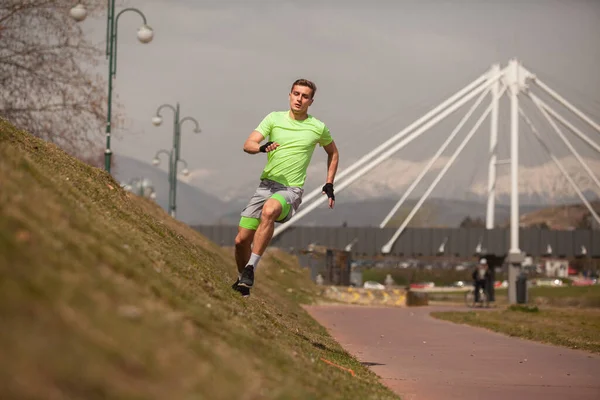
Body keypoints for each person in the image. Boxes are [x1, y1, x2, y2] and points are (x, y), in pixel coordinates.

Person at [231, 78, 340, 297]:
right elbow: (248, 144)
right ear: (289, 95)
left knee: (270, 211)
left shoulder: (318, 128)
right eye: (296, 94)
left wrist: (329, 183)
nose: (299, 99)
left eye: (305, 96)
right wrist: (261, 148)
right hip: (265, 186)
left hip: (290, 190)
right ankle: (243, 282)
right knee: (241, 241)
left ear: (311, 101)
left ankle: (251, 267)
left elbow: (333, 153)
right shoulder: (274, 118)